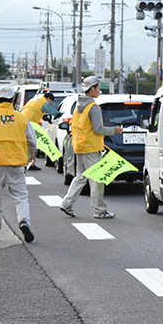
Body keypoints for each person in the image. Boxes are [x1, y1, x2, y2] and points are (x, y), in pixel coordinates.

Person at [0, 85, 38, 243]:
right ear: (13, 99)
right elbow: (32, 141)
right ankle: (24, 221)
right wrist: (32, 156)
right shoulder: (21, 118)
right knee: (21, 197)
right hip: (17, 164)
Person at [60, 76, 123, 219]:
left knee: (80, 177)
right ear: (92, 89)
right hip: (91, 148)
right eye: (98, 88)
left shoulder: (78, 106)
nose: (100, 91)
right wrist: (115, 130)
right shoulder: (93, 107)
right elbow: (98, 129)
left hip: (80, 146)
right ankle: (100, 210)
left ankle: (66, 204)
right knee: (97, 180)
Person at [21, 91, 62, 170]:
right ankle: (30, 164)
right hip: (30, 123)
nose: (51, 103)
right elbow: (54, 112)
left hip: (22, 121)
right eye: (51, 101)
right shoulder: (45, 103)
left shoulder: (34, 100)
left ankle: (26, 163)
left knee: (25, 143)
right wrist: (60, 114)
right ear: (48, 98)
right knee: (31, 143)